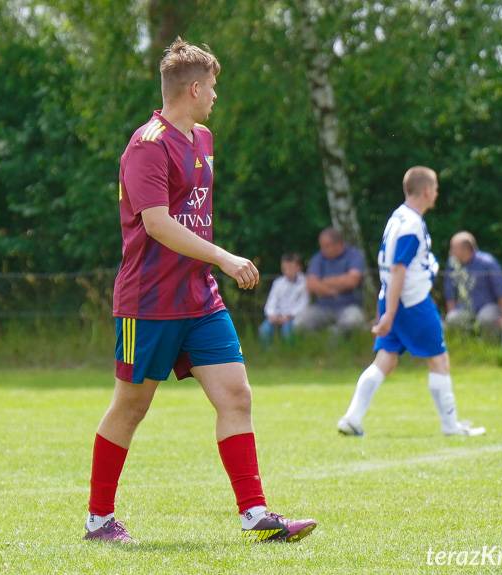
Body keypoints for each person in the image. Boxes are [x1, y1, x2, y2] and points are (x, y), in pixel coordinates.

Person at [83, 38, 317, 544]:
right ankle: (99, 520)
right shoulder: (146, 145)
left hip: (200, 300)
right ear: (193, 87)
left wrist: (213, 268)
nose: (215, 95)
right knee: (131, 406)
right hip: (148, 304)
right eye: (212, 87)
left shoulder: (204, 139)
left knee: (236, 396)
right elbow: (159, 225)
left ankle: (255, 515)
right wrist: (225, 258)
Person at [337, 166, 485, 437]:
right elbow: (398, 268)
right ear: (427, 190)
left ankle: (352, 418)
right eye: (436, 188)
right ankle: (450, 427)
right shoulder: (411, 224)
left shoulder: (399, 217)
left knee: (386, 359)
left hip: (394, 299)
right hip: (412, 302)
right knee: (439, 360)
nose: (437, 193)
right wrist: (390, 313)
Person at [297, 227, 365, 334]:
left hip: (349, 307)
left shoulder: (354, 255)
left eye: (326, 246)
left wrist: (326, 281)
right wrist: (335, 290)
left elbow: (352, 281)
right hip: (322, 308)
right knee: (299, 323)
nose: (323, 249)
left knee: (354, 320)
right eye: (322, 246)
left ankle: (336, 338)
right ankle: (317, 346)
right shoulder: (318, 258)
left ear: (338, 244)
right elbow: (310, 285)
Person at [444, 231, 502, 338]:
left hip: (490, 307)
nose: (450, 252)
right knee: (452, 320)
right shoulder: (452, 265)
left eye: (453, 248)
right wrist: (452, 313)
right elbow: (450, 294)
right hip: (465, 308)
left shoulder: (487, 263)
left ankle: (491, 349)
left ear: (465, 250)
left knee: (486, 319)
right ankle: (462, 349)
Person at [259, 253, 308, 347]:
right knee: (264, 330)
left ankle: (289, 354)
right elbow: (271, 302)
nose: (287, 272)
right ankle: (268, 354)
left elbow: (303, 304)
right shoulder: (278, 283)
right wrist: (272, 315)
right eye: (284, 269)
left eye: (290, 268)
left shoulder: (304, 283)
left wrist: (289, 315)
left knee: (286, 331)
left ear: (298, 267)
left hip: (292, 315)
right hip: (277, 315)